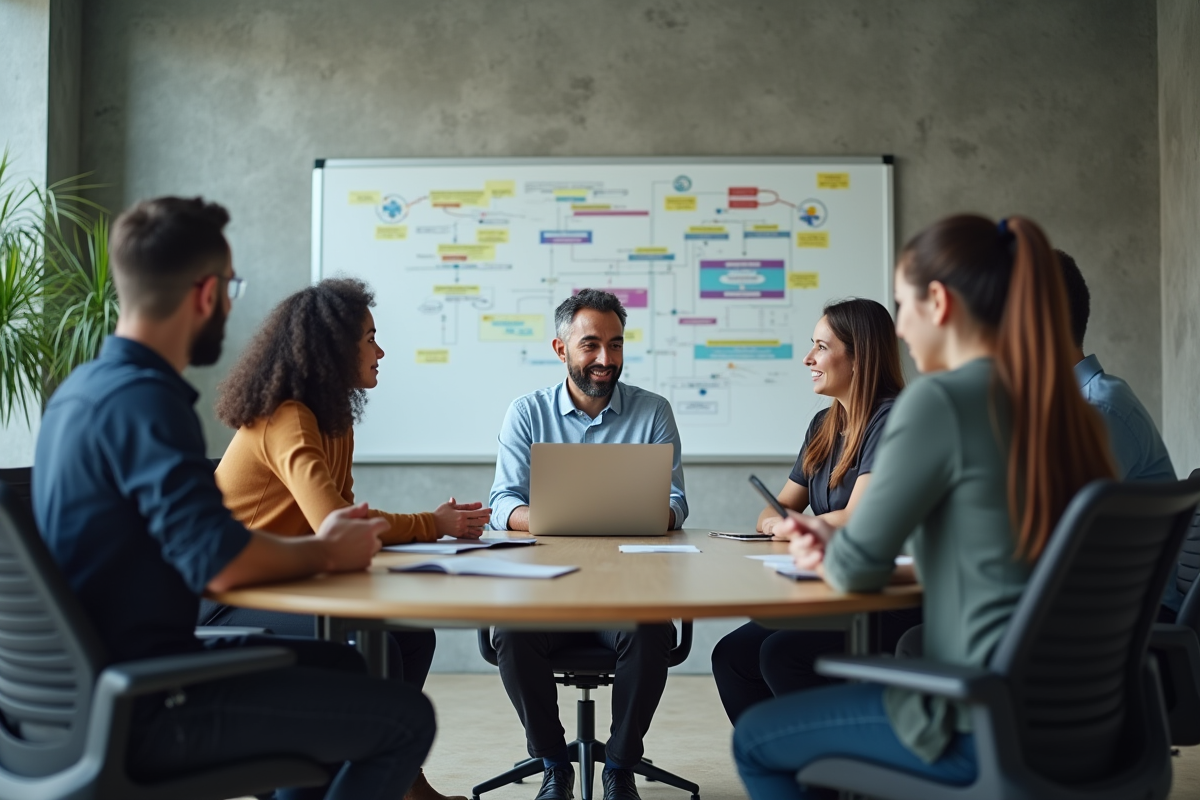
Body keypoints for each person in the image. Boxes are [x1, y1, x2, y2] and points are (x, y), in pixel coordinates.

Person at [32, 197, 436, 800]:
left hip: (75, 699)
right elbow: (221, 562)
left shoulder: (83, 392)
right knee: (405, 720)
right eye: (231, 288)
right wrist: (326, 553)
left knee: (349, 672)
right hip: (150, 702)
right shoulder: (148, 404)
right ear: (206, 294)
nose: (228, 304)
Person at [732, 215, 1116, 800]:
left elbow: (857, 571)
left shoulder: (940, 402)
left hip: (974, 714)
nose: (901, 330)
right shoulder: (1072, 411)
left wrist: (833, 550)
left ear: (937, 302)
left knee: (756, 740)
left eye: (903, 305)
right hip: (1092, 712)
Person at [206, 277, 490, 800]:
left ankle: (398, 777)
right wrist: (432, 523)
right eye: (370, 339)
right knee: (366, 643)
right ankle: (320, 780)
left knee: (411, 635)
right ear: (336, 348)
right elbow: (335, 523)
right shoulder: (287, 416)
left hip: (283, 583)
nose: (381, 351)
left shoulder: (333, 419)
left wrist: (430, 524)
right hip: (225, 597)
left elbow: (346, 515)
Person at [487, 289, 686, 800]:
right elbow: (502, 503)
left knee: (649, 629)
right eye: (591, 345)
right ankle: (554, 762)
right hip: (545, 591)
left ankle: (620, 764)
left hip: (626, 590)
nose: (605, 359)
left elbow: (676, 502)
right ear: (561, 349)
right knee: (510, 632)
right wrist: (553, 516)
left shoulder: (653, 412)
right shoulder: (527, 413)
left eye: (615, 345)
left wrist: (651, 511)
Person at [711, 298, 913, 724]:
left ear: (859, 358)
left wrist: (795, 525)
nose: (808, 359)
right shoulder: (824, 424)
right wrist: (781, 522)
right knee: (731, 655)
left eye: (821, 347)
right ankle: (784, 771)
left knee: (781, 654)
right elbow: (780, 507)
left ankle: (828, 775)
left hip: (884, 597)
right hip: (832, 592)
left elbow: (858, 517)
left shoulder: (893, 418)